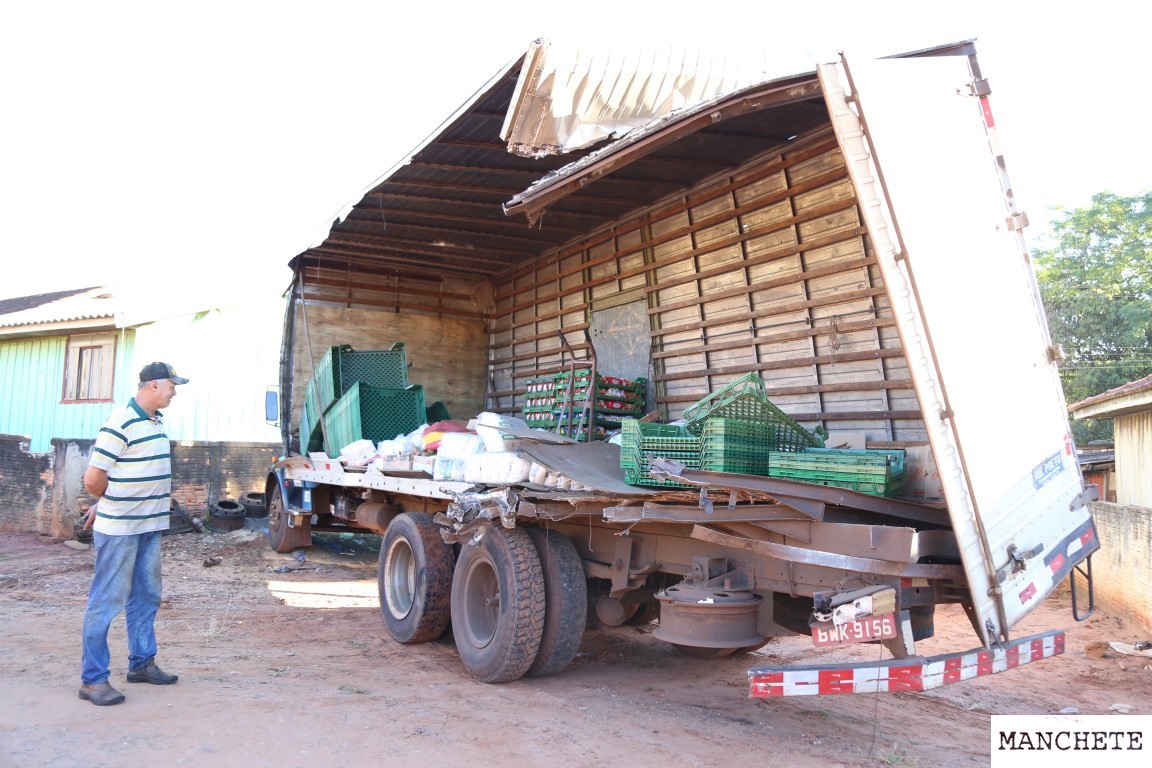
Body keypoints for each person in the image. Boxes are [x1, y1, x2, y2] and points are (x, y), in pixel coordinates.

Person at [78, 361, 189, 706]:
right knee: (106, 601)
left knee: (146, 596)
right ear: (154, 385)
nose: (174, 393)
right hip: (121, 530)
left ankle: (141, 664)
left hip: (148, 527)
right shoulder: (121, 422)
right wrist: (107, 503)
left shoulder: (155, 421)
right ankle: (93, 681)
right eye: (172, 386)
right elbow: (93, 478)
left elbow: (124, 472)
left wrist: (103, 502)